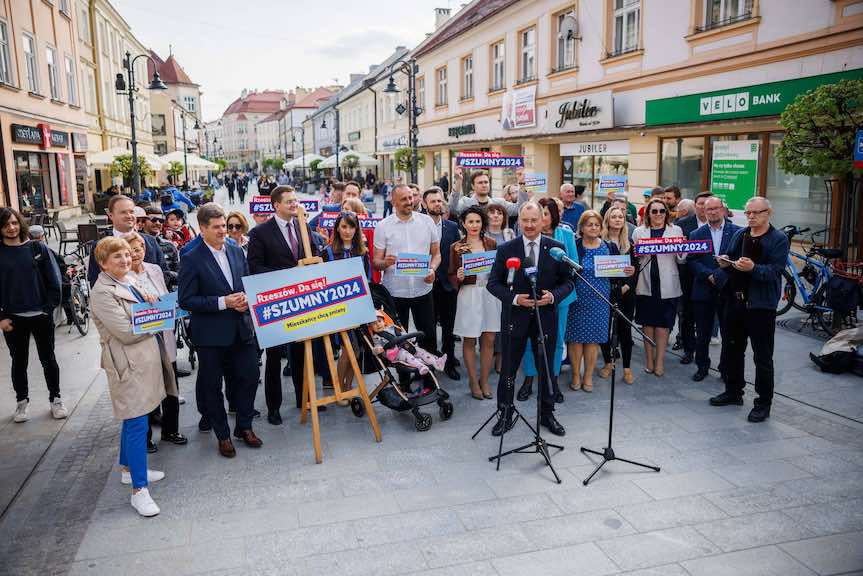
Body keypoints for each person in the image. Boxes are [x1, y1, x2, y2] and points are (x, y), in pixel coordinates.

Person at [90, 236, 176, 516]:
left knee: (134, 418)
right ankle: (139, 491)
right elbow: (127, 332)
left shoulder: (130, 280)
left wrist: (151, 301)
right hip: (128, 364)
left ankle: (128, 469)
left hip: (145, 359)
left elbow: (145, 311)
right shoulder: (102, 292)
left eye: (126, 255)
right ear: (102, 263)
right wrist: (159, 317)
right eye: (117, 257)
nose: (125, 260)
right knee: (137, 422)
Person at [178, 203, 262, 458]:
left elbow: (247, 282)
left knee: (249, 376)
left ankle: (244, 427)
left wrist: (246, 299)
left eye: (224, 226)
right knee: (212, 386)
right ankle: (223, 435)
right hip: (211, 335)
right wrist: (223, 302)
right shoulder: (191, 258)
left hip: (241, 329)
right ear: (202, 228)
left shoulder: (236, 251)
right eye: (216, 228)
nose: (222, 231)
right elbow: (186, 300)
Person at [487, 202, 574, 437]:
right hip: (514, 318)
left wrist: (553, 297)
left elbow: (569, 282)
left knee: (545, 369)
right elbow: (493, 284)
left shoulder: (556, 248)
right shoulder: (507, 249)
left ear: (543, 220)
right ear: (519, 222)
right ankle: (505, 413)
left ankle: (547, 414)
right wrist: (515, 299)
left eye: (534, 220)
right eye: (525, 220)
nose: (529, 225)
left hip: (545, 318)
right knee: (508, 371)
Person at [710, 197, 788, 423]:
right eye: (748, 212)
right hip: (735, 301)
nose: (751, 216)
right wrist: (725, 263)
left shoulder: (778, 239)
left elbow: (774, 272)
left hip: (760, 306)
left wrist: (753, 268)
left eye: (756, 212)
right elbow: (731, 260)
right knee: (732, 350)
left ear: (768, 213)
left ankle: (763, 404)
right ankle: (734, 392)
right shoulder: (740, 233)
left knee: (762, 356)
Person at [247, 186, 320, 426]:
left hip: (301, 301)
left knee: (301, 353)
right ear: (275, 205)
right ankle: (273, 407)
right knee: (275, 357)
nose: (293, 204)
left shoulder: (303, 225)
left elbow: (314, 253)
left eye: (295, 200)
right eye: (289, 201)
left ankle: (303, 399)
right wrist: (289, 274)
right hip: (276, 302)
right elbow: (255, 267)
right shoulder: (260, 233)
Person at [0, 208, 66, 423]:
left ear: (20, 223)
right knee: (19, 362)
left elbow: (54, 282)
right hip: (13, 319)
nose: (11, 228)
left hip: (41, 315)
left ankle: (56, 399)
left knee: (49, 359)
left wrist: (48, 309)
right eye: (5, 225)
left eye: (14, 223)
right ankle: (22, 402)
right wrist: (1, 317)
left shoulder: (37, 248)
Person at [124, 232, 187, 450]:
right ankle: (146, 437)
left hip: (164, 335)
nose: (136, 253)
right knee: (147, 389)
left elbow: (164, 296)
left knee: (171, 384)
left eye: (139, 248)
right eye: (131, 249)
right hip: (142, 341)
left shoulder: (155, 269)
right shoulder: (123, 279)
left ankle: (171, 430)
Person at [518, 198, 578, 401]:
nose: (537, 220)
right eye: (534, 216)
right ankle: (529, 378)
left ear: (552, 215)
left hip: (559, 298)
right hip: (531, 298)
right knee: (529, 338)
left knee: (556, 340)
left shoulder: (566, 235)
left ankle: (552, 380)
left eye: (544, 214)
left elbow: (573, 266)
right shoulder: (525, 236)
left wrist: (554, 294)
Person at [373, 184, 441, 354]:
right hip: (395, 293)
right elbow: (376, 261)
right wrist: (385, 262)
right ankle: (403, 380)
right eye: (404, 199)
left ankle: (428, 377)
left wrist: (432, 270)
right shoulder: (383, 226)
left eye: (411, 197)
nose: (409, 202)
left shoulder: (427, 222)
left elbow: (437, 254)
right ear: (393, 202)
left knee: (429, 336)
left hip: (422, 290)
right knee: (397, 338)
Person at [448, 206, 499, 399]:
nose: (474, 225)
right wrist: (459, 276)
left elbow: (498, 269)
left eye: (477, 221)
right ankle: (472, 379)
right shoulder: (456, 247)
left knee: (489, 339)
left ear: (482, 223)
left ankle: (484, 379)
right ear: (463, 223)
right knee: (470, 338)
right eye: (470, 221)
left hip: (489, 294)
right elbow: (451, 274)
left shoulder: (491, 243)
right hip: (469, 295)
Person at [565, 210, 617, 393]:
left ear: (601, 227)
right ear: (582, 227)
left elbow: (617, 274)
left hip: (600, 300)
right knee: (575, 340)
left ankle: (587, 376)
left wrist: (626, 272)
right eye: (589, 224)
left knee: (593, 340)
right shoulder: (575, 245)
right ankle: (575, 375)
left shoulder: (609, 247)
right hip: (577, 299)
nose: (593, 227)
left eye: (596, 224)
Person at [632, 198, 685, 377]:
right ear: (648, 214)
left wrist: (682, 247)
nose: (658, 215)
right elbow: (636, 259)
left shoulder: (676, 230)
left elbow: (681, 259)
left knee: (663, 326)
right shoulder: (639, 232)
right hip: (646, 284)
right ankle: (649, 361)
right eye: (654, 211)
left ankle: (660, 361)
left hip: (668, 284)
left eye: (662, 211)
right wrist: (638, 251)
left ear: (666, 213)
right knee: (647, 325)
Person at [689, 197, 740, 382]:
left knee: (728, 332)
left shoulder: (737, 232)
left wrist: (720, 275)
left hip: (727, 289)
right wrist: (708, 275)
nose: (712, 212)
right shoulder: (696, 234)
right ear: (704, 212)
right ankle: (702, 366)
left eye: (716, 208)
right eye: (708, 209)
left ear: (723, 210)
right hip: (704, 289)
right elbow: (692, 260)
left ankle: (725, 368)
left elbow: (738, 260)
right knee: (702, 332)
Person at [323, 211, 372, 401]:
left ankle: (349, 386)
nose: (348, 231)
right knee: (347, 349)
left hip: (357, 308)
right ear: (337, 228)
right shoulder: (327, 252)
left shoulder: (362, 252)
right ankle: (340, 389)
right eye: (344, 226)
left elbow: (367, 280)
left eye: (351, 227)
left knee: (357, 350)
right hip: (338, 309)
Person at [88, 195, 167, 287]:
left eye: (131, 212)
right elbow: (95, 280)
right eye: (123, 212)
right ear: (110, 215)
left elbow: (163, 273)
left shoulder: (150, 241)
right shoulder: (100, 245)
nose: (129, 216)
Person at [598, 206, 638, 385]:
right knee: (605, 329)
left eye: (620, 217)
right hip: (606, 290)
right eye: (613, 216)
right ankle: (608, 362)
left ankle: (627, 368)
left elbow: (635, 270)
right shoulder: (600, 242)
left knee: (625, 330)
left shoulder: (630, 244)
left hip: (626, 293)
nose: (617, 219)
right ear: (607, 220)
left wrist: (627, 285)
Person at [424, 187, 461, 381]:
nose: (437, 204)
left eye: (440, 201)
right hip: (426, 285)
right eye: (433, 201)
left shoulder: (452, 227)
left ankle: (449, 360)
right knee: (428, 328)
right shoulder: (419, 226)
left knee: (449, 327)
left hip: (447, 285)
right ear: (424, 204)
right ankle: (430, 361)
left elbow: (458, 254)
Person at [448, 167, 527, 218]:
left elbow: (519, 209)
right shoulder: (466, 203)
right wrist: (458, 181)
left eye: (486, 182)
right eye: (480, 183)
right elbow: (453, 209)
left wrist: (522, 183)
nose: (484, 185)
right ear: (473, 186)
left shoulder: (499, 203)